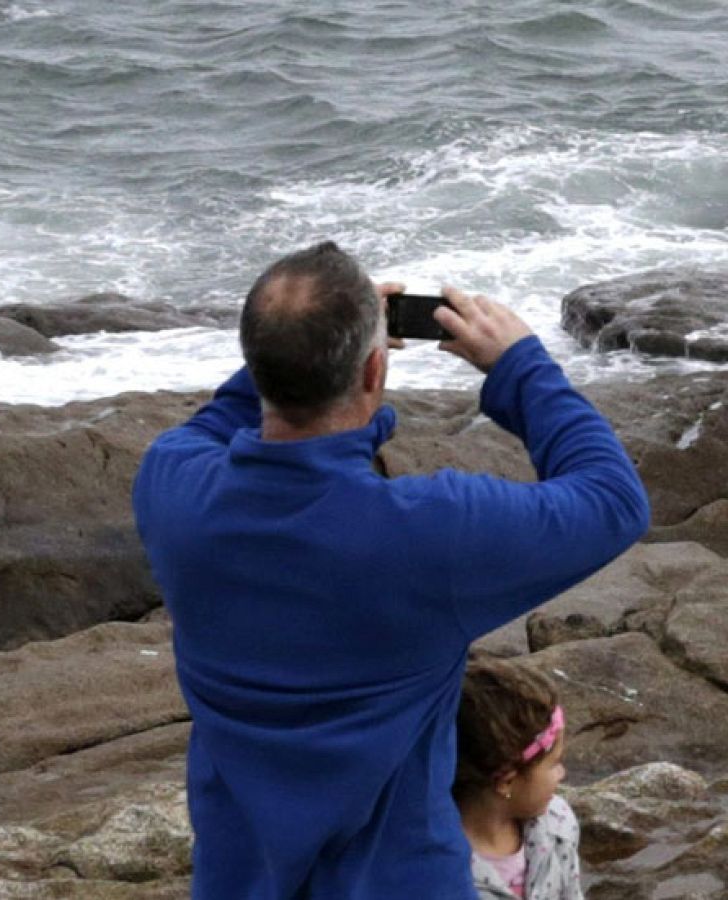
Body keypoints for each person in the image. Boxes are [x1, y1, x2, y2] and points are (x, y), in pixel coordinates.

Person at [131, 241, 648, 899]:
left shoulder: (173, 493)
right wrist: (520, 365)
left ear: (257, 365)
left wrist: (294, 350)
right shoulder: (427, 533)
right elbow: (614, 500)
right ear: (374, 368)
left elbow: (214, 426)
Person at [455, 659, 582, 900]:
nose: (562, 774)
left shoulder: (559, 822)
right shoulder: (440, 868)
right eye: (554, 764)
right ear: (507, 781)